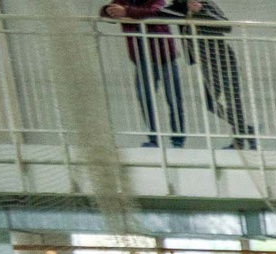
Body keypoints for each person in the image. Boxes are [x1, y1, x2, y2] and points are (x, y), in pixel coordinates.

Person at [100, 0, 186, 149]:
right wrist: (109, 10)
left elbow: (154, 13)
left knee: (174, 100)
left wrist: (126, 12)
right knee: (146, 100)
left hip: (165, 58)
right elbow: (105, 12)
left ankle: (177, 141)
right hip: (142, 61)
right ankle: (153, 139)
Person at [170, 0, 252, 149]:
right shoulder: (178, 6)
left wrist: (201, 11)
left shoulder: (204, 2)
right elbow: (155, 13)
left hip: (224, 60)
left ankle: (240, 141)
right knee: (209, 103)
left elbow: (226, 26)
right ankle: (246, 130)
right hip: (207, 65)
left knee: (233, 101)